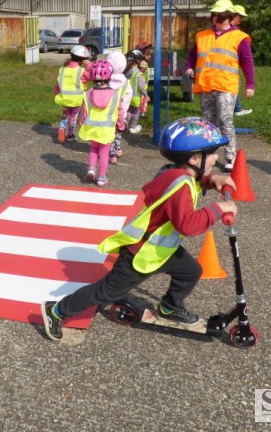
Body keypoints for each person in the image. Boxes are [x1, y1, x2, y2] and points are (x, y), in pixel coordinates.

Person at [41, 116, 237, 342]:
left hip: (161, 249)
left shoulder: (174, 172)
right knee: (105, 292)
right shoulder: (180, 185)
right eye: (212, 153)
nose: (216, 157)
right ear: (194, 159)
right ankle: (56, 310)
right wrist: (218, 209)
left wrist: (213, 180)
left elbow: (194, 183)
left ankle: (170, 307)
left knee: (190, 271)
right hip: (141, 253)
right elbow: (188, 225)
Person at [184, 0, 255, 172]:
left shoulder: (239, 38)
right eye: (214, 15)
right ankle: (208, 154)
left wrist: (250, 84)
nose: (216, 19)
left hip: (225, 86)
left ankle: (230, 156)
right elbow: (193, 54)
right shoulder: (202, 35)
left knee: (225, 121)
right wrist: (189, 66)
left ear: (230, 18)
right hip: (206, 85)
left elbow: (247, 61)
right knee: (208, 122)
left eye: (220, 16)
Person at [78, 60, 125, 188]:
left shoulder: (89, 93)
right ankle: (101, 177)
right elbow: (120, 112)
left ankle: (91, 169)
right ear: (109, 77)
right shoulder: (115, 94)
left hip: (92, 128)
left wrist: (82, 124)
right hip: (107, 130)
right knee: (104, 153)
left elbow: (84, 111)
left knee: (93, 149)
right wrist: (121, 125)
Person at [54, 45, 91, 143]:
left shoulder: (62, 69)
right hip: (76, 99)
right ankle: (70, 134)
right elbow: (91, 75)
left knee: (65, 114)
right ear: (82, 59)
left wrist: (57, 94)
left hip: (64, 97)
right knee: (73, 116)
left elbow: (57, 84)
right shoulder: (81, 71)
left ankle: (62, 127)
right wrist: (88, 65)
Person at [105, 51, 132, 165]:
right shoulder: (126, 83)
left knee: (109, 133)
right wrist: (124, 113)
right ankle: (116, 149)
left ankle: (111, 152)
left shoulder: (106, 80)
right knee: (118, 132)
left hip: (107, 113)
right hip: (120, 113)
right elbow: (127, 98)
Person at [230, 5, 253, 117]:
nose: (241, 20)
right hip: (229, 68)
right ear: (234, 16)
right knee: (235, 85)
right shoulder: (235, 33)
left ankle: (236, 108)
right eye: (240, 17)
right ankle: (237, 109)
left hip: (231, 66)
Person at [125, 49, 149, 134]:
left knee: (129, 111)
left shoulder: (127, 71)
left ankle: (125, 123)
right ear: (138, 61)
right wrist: (146, 95)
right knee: (136, 112)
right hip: (136, 97)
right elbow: (141, 87)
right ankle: (133, 127)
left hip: (127, 96)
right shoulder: (138, 73)